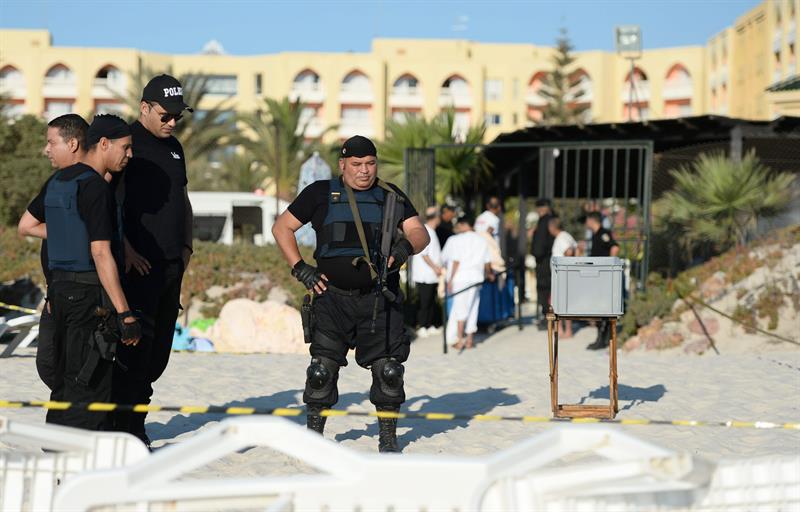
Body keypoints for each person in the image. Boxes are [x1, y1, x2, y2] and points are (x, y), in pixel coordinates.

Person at [272, 135, 429, 453]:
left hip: (379, 299)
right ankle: (313, 438)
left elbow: (419, 231)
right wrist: (300, 268)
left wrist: (402, 248)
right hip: (332, 299)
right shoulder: (319, 193)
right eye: (356, 164)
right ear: (342, 165)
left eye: (370, 164)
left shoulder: (390, 196)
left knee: (389, 371)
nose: (364, 171)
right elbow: (281, 228)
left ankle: (388, 440)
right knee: (320, 372)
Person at [19, 115, 141, 430]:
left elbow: (28, 226)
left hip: (59, 295)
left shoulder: (58, 182)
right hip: (88, 297)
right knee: (89, 380)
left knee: (64, 377)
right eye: (125, 148)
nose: (129, 155)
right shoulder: (94, 188)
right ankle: (79, 457)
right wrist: (125, 312)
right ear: (103, 144)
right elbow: (100, 252)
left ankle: (59, 448)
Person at [110, 74, 194, 445]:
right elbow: (108, 203)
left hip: (172, 266)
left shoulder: (175, 147)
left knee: (157, 356)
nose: (172, 122)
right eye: (165, 115)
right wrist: (125, 248)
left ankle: (134, 424)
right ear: (144, 108)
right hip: (137, 268)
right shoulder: (126, 144)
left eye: (177, 115)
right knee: (134, 352)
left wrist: (188, 248)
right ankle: (127, 430)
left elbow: (182, 199)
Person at [18, 114, 89, 422]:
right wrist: (63, 228)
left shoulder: (92, 182)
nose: (46, 150)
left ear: (72, 143)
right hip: (56, 290)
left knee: (73, 368)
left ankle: (72, 428)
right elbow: (26, 226)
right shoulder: (56, 181)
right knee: (48, 364)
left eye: (51, 142)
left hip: (83, 291)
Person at [441, 216, 493, 350]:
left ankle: (460, 340)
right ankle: (469, 340)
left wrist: (451, 279)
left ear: (464, 224)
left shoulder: (458, 239)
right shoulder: (481, 240)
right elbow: (487, 262)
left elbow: (456, 261)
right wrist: (489, 274)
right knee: (473, 308)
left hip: (461, 277)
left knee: (460, 310)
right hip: (476, 277)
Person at [585, 211, 620, 350]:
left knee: (603, 306)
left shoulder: (603, 233)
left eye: (587, 220)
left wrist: (609, 266)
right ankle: (601, 337)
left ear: (592, 220)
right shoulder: (595, 234)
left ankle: (603, 338)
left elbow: (614, 247)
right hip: (597, 275)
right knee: (598, 306)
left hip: (603, 274)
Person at [411, 206, 443, 337]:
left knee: (430, 301)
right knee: (424, 301)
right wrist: (435, 267)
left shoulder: (432, 231)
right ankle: (422, 325)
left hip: (431, 275)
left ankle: (429, 325)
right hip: (425, 274)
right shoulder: (426, 231)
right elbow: (425, 255)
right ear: (436, 217)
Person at [548, 216, 577, 338]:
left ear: (553, 227)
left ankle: (563, 330)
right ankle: (563, 330)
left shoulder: (561, 238)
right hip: (564, 275)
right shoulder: (567, 235)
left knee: (560, 304)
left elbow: (569, 251)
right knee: (565, 304)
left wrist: (567, 264)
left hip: (562, 275)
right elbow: (577, 248)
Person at [528, 198, 555, 330]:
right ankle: (547, 315)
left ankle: (548, 316)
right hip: (544, 259)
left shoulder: (546, 220)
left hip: (545, 260)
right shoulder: (548, 220)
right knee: (546, 288)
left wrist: (537, 254)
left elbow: (541, 243)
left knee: (546, 288)